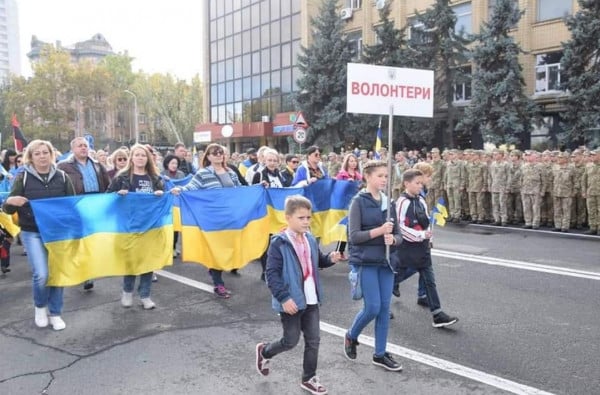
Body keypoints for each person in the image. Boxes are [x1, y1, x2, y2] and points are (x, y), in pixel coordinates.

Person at [255, 195, 341, 395]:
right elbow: (272, 274)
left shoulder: (310, 238)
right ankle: (265, 351)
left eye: (308, 218)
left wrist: (331, 258)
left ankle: (309, 378)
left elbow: (318, 260)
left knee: (313, 340)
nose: (306, 222)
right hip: (292, 300)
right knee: (290, 341)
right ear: (288, 218)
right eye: (301, 218)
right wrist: (284, 298)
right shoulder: (279, 243)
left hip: (311, 299)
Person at [3, 140, 75, 330]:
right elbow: (8, 208)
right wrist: (11, 201)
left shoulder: (62, 176)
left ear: (51, 154)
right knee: (42, 274)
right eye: (37, 153)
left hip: (57, 232)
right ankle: (40, 307)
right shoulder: (23, 177)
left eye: (45, 152)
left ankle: (56, 312)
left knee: (57, 273)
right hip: (32, 231)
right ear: (31, 157)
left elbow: (72, 204)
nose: (42, 156)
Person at [343, 160, 403, 372]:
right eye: (380, 176)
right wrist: (379, 231)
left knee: (384, 310)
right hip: (366, 261)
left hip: (386, 261)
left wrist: (393, 240)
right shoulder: (358, 202)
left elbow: (399, 234)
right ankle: (351, 335)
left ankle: (379, 353)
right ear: (367, 176)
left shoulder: (389, 203)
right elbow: (354, 236)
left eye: (386, 176)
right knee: (373, 307)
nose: (384, 180)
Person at [171, 143, 242, 298]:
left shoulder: (231, 172)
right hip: (212, 219)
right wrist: (179, 190)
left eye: (220, 152)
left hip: (230, 218)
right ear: (208, 157)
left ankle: (214, 267)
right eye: (214, 153)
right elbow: (191, 187)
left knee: (227, 248)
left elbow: (241, 190)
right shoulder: (203, 173)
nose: (218, 155)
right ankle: (218, 283)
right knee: (216, 250)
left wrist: (259, 187)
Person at [395, 169, 458, 328]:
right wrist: (420, 236)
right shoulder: (402, 202)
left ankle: (437, 314)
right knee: (402, 272)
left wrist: (429, 237)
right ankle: (386, 289)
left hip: (422, 246)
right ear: (406, 183)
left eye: (421, 183)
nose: (420, 186)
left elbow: (426, 220)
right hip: (408, 247)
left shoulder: (421, 199)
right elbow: (400, 227)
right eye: (417, 183)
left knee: (429, 279)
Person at [107, 144, 165, 309]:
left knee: (148, 261)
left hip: (150, 226)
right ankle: (127, 291)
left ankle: (145, 295)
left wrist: (160, 195)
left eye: (143, 155)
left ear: (148, 159)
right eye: (137, 155)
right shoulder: (122, 177)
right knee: (131, 262)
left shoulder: (155, 177)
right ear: (131, 158)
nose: (140, 158)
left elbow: (164, 198)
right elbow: (107, 197)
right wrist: (118, 195)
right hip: (129, 226)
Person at [58, 137, 110, 290]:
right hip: (76, 205)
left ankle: (88, 274)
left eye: (85, 146)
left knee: (91, 240)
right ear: (73, 149)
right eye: (80, 146)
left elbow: (108, 185)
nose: (83, 148)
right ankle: (80, 269)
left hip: (95, 204)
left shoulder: (98, 165)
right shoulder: (63, 166)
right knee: (78, 240)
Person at [252, 148, 286, 281]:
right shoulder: (259, 174)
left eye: (274, 160)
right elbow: (253, 192)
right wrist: (260, 186)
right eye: (269, 160)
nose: (272, 163)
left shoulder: (280, 175)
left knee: (278, 243)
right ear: (264, 161)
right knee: (266, 244)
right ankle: (266, 271)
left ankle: (277, 269)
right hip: (265, 214)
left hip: (278, 215)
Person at [335, 153, 363, 260]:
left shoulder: (359, 175)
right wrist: (347, 184)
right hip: (345, 205)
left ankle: (353, 251)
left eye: (355, 161)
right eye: (351, 161)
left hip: (356, 203)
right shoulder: (342, 175)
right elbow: (338, 189)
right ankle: (339, 251)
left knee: (355, 227)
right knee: (344, 228)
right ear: (347, 162)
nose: (353, 163)